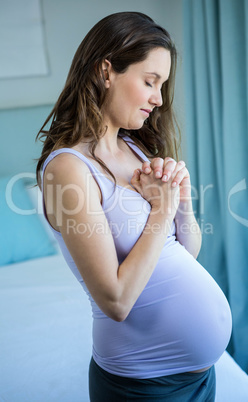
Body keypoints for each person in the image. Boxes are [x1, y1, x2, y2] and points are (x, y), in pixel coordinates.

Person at [36, 11, 232, 401]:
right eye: (150, 81)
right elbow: (116, 300)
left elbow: (185, 253)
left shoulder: (132, 148)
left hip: (198, 378)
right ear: (106, 71)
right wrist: (160, 213)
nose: (159, 99)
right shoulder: (68, 169)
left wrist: (180, 199)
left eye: (162, 85)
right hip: (144, 386)